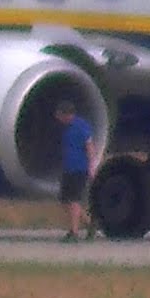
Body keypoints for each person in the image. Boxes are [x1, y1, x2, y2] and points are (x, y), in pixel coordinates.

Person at [55, 100, 99, 241]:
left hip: (79, 168)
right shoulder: (65, 128)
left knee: (74, 199)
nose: (58, 118)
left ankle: (73, 232)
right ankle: (89, 224)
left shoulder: (81, 126)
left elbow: (90, 147)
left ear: (66, 114)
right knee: (65, 200)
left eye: (59, 115)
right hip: (68, 168)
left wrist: (92, 167)